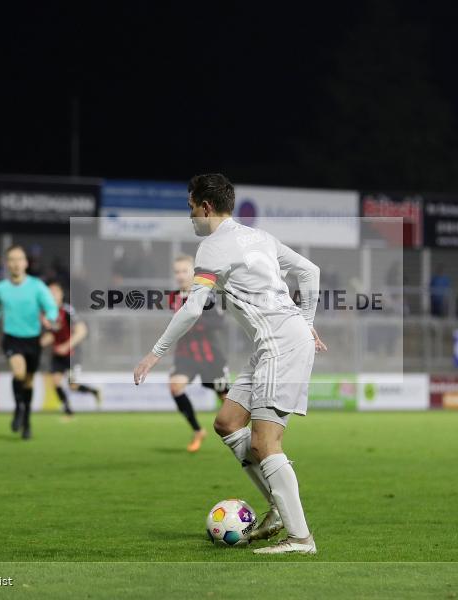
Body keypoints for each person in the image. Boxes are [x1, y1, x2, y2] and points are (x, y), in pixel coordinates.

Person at [133, 174, 326, 555]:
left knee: (265, 442)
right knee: (227, 423)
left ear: (206, 207)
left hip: (281, 344)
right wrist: (306, 321)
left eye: (191, 208)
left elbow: (192, 309)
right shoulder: (260, 237)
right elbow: (311, 272)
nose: (190, 216)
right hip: (277, 341)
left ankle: (301, 538)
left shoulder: (211, 248)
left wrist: (155, 352)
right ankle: (278, 510)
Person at [0, 245, 58, 440]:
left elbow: (51, 307)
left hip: (32, 339)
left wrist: (49, 319)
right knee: (18, 372)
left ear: (26, 263)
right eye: (12, 259)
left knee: (28, 382)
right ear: (7, 263)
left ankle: (26, 419)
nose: (16, 263)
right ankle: (18, 408)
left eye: (20, 259)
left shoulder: (37, 286)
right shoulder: (0, 288)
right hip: (12, 338)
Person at [166, 254, 231, 452]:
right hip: (186, 354)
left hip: (210, 355)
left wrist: (195, 320)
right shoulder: (172, 297)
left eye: (184, 271)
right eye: (177, 271)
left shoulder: (206, 295)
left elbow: (219, 322)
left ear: (193, 273)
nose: (180, 275)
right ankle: (198, 430)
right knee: (175, 386)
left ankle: (243, 433)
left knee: (226, 398)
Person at [41, 281, 101, 417]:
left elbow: (82, 331)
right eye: (49, 292)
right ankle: (68, 409)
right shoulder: (47, 314)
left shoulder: (67, 310)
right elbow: (51, 334)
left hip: (72, 354)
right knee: (55, 381)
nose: (52, 294)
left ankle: (94, 392)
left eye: (55, 291)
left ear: (61, 294)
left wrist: (66, 346)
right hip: (57, 354)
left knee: (72, 385)